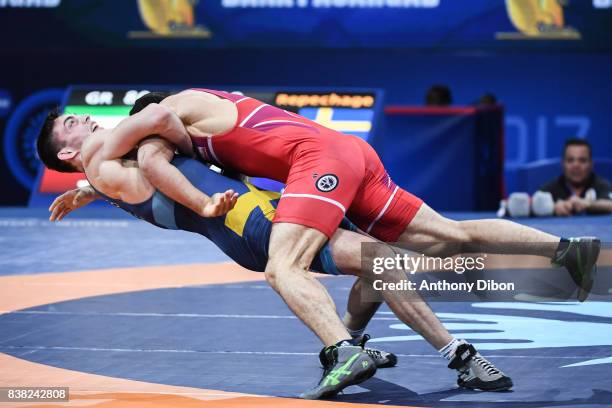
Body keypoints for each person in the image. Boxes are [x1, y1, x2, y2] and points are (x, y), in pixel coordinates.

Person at [37, 88, 599, 397]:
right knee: (420, 249)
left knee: (290, 268)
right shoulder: (134, 153)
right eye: (74, 124)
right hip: (326, 167)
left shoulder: (141, 147)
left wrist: (95, 184)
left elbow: (151, 134)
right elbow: (150, 151)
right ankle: (521, 293)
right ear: (68, 153)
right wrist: (194, 194)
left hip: (306, 177)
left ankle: (346, 347)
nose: (89, 120)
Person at [539, 138, 612, 216]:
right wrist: (552, 208)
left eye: (582, 160)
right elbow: (532, 205)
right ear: (562, 164)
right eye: (570, 160)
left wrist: (589, 204)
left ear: (591, 164)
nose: (576, 165)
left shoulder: (602, 185)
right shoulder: (550, 188)